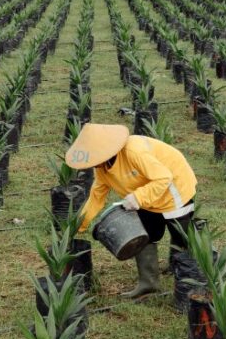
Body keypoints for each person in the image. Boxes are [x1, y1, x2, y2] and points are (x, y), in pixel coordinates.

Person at [66, 123, 197, 297]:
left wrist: (138, 197)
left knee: (181, 235)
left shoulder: (133, 152)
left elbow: (164, 177)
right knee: (145, 234)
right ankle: (149, 284)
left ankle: (187, 279)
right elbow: (96, 198)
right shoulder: (103, 169)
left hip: (174, 188)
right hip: (145, 195)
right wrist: (79, 225)